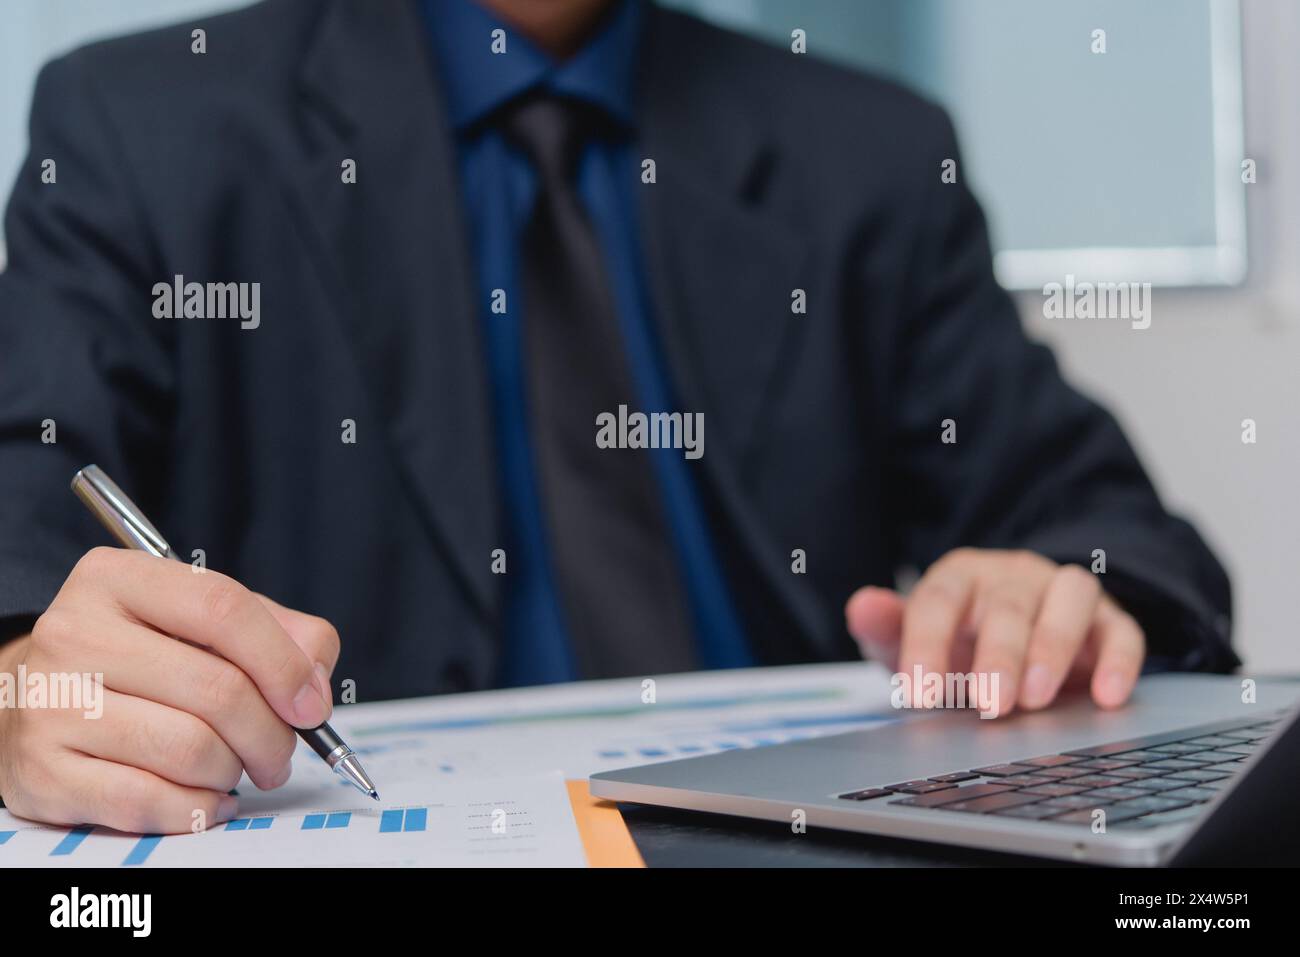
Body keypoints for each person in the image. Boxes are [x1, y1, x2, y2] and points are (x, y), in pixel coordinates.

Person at [0, 0, 1234, 834]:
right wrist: (25, 679)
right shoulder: (139, 131)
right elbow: (21, 520)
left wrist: (1057, 596)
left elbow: (1108, 531)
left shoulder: (871, 154)